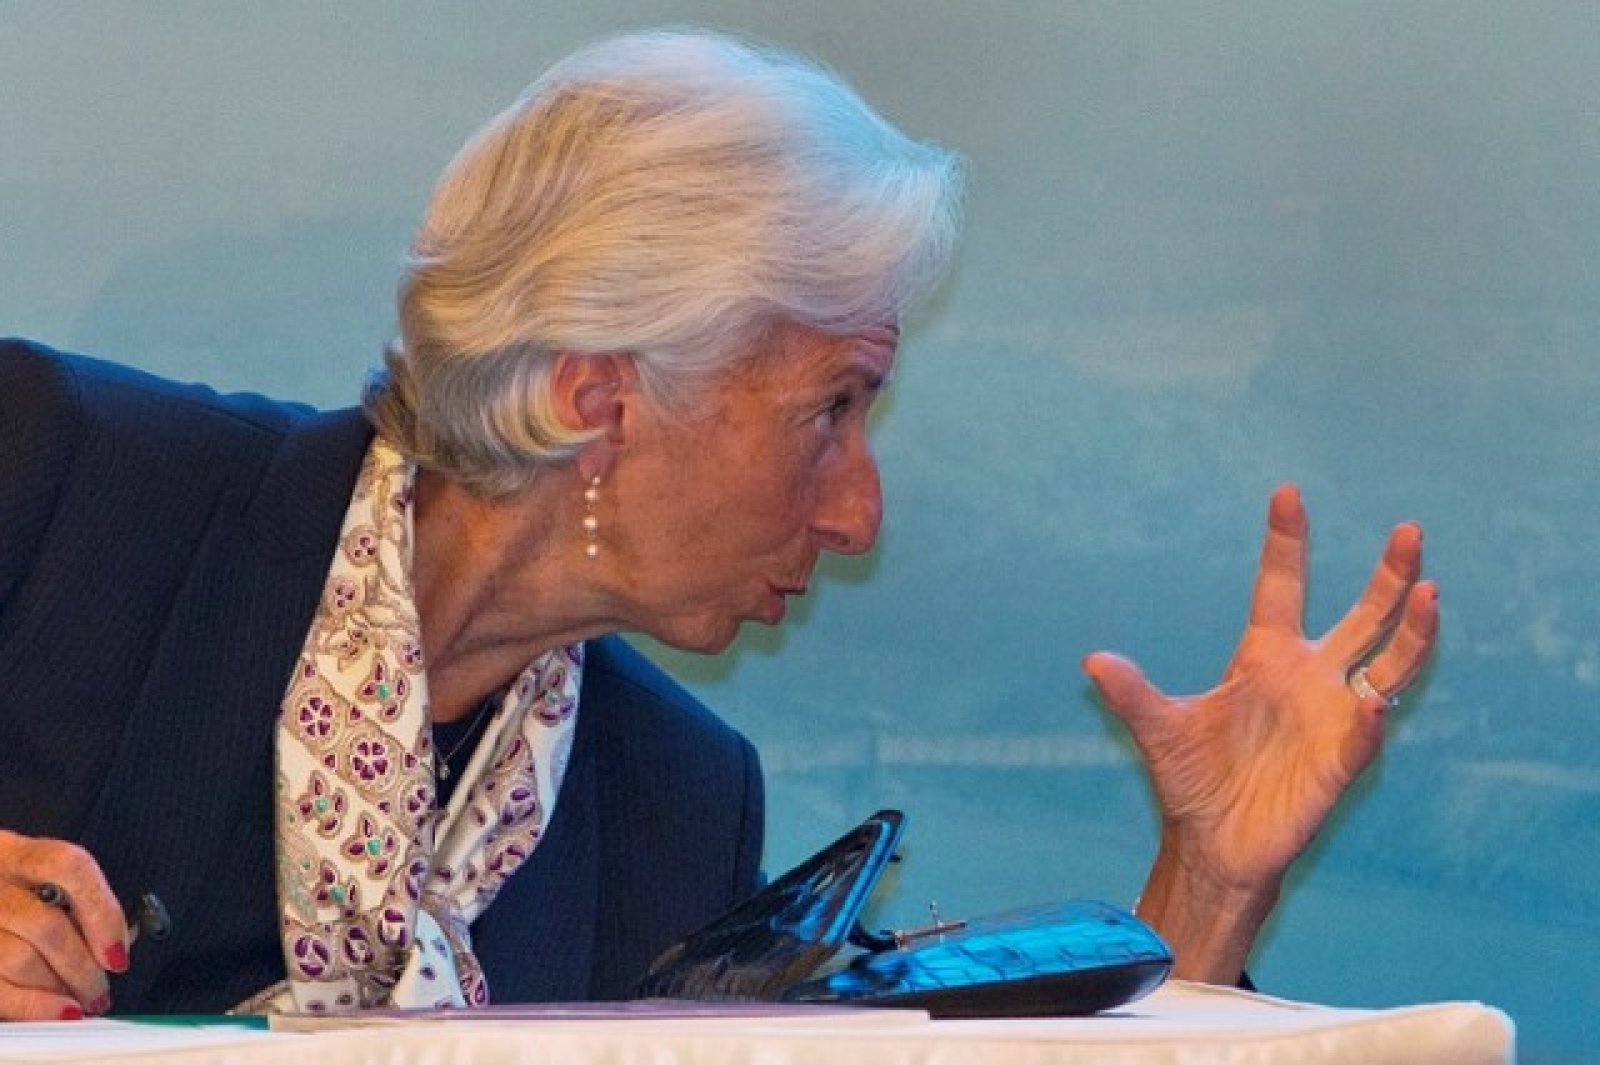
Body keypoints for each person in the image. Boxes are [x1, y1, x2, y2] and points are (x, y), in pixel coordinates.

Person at [0, 28, 1436, 1021]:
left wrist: (1209, 883)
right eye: (831, 409)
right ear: (598, 397)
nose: (861, 512)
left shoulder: (675, 806)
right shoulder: (56, 482)